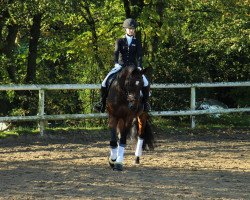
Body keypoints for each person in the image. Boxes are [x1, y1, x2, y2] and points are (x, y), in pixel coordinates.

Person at [95, 18, 150, 113]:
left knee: (145, 83)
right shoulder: (120, 40)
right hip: (120, 66)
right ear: (125, 29)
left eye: (133, 29)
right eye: (129, 28)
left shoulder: (137, 41)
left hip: (133, 67)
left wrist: (140, 66)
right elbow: (116, 53)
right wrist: (116, 63)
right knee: (104, 82)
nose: (131, 30)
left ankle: (145, 104)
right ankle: (102, 103)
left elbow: (139, 55)